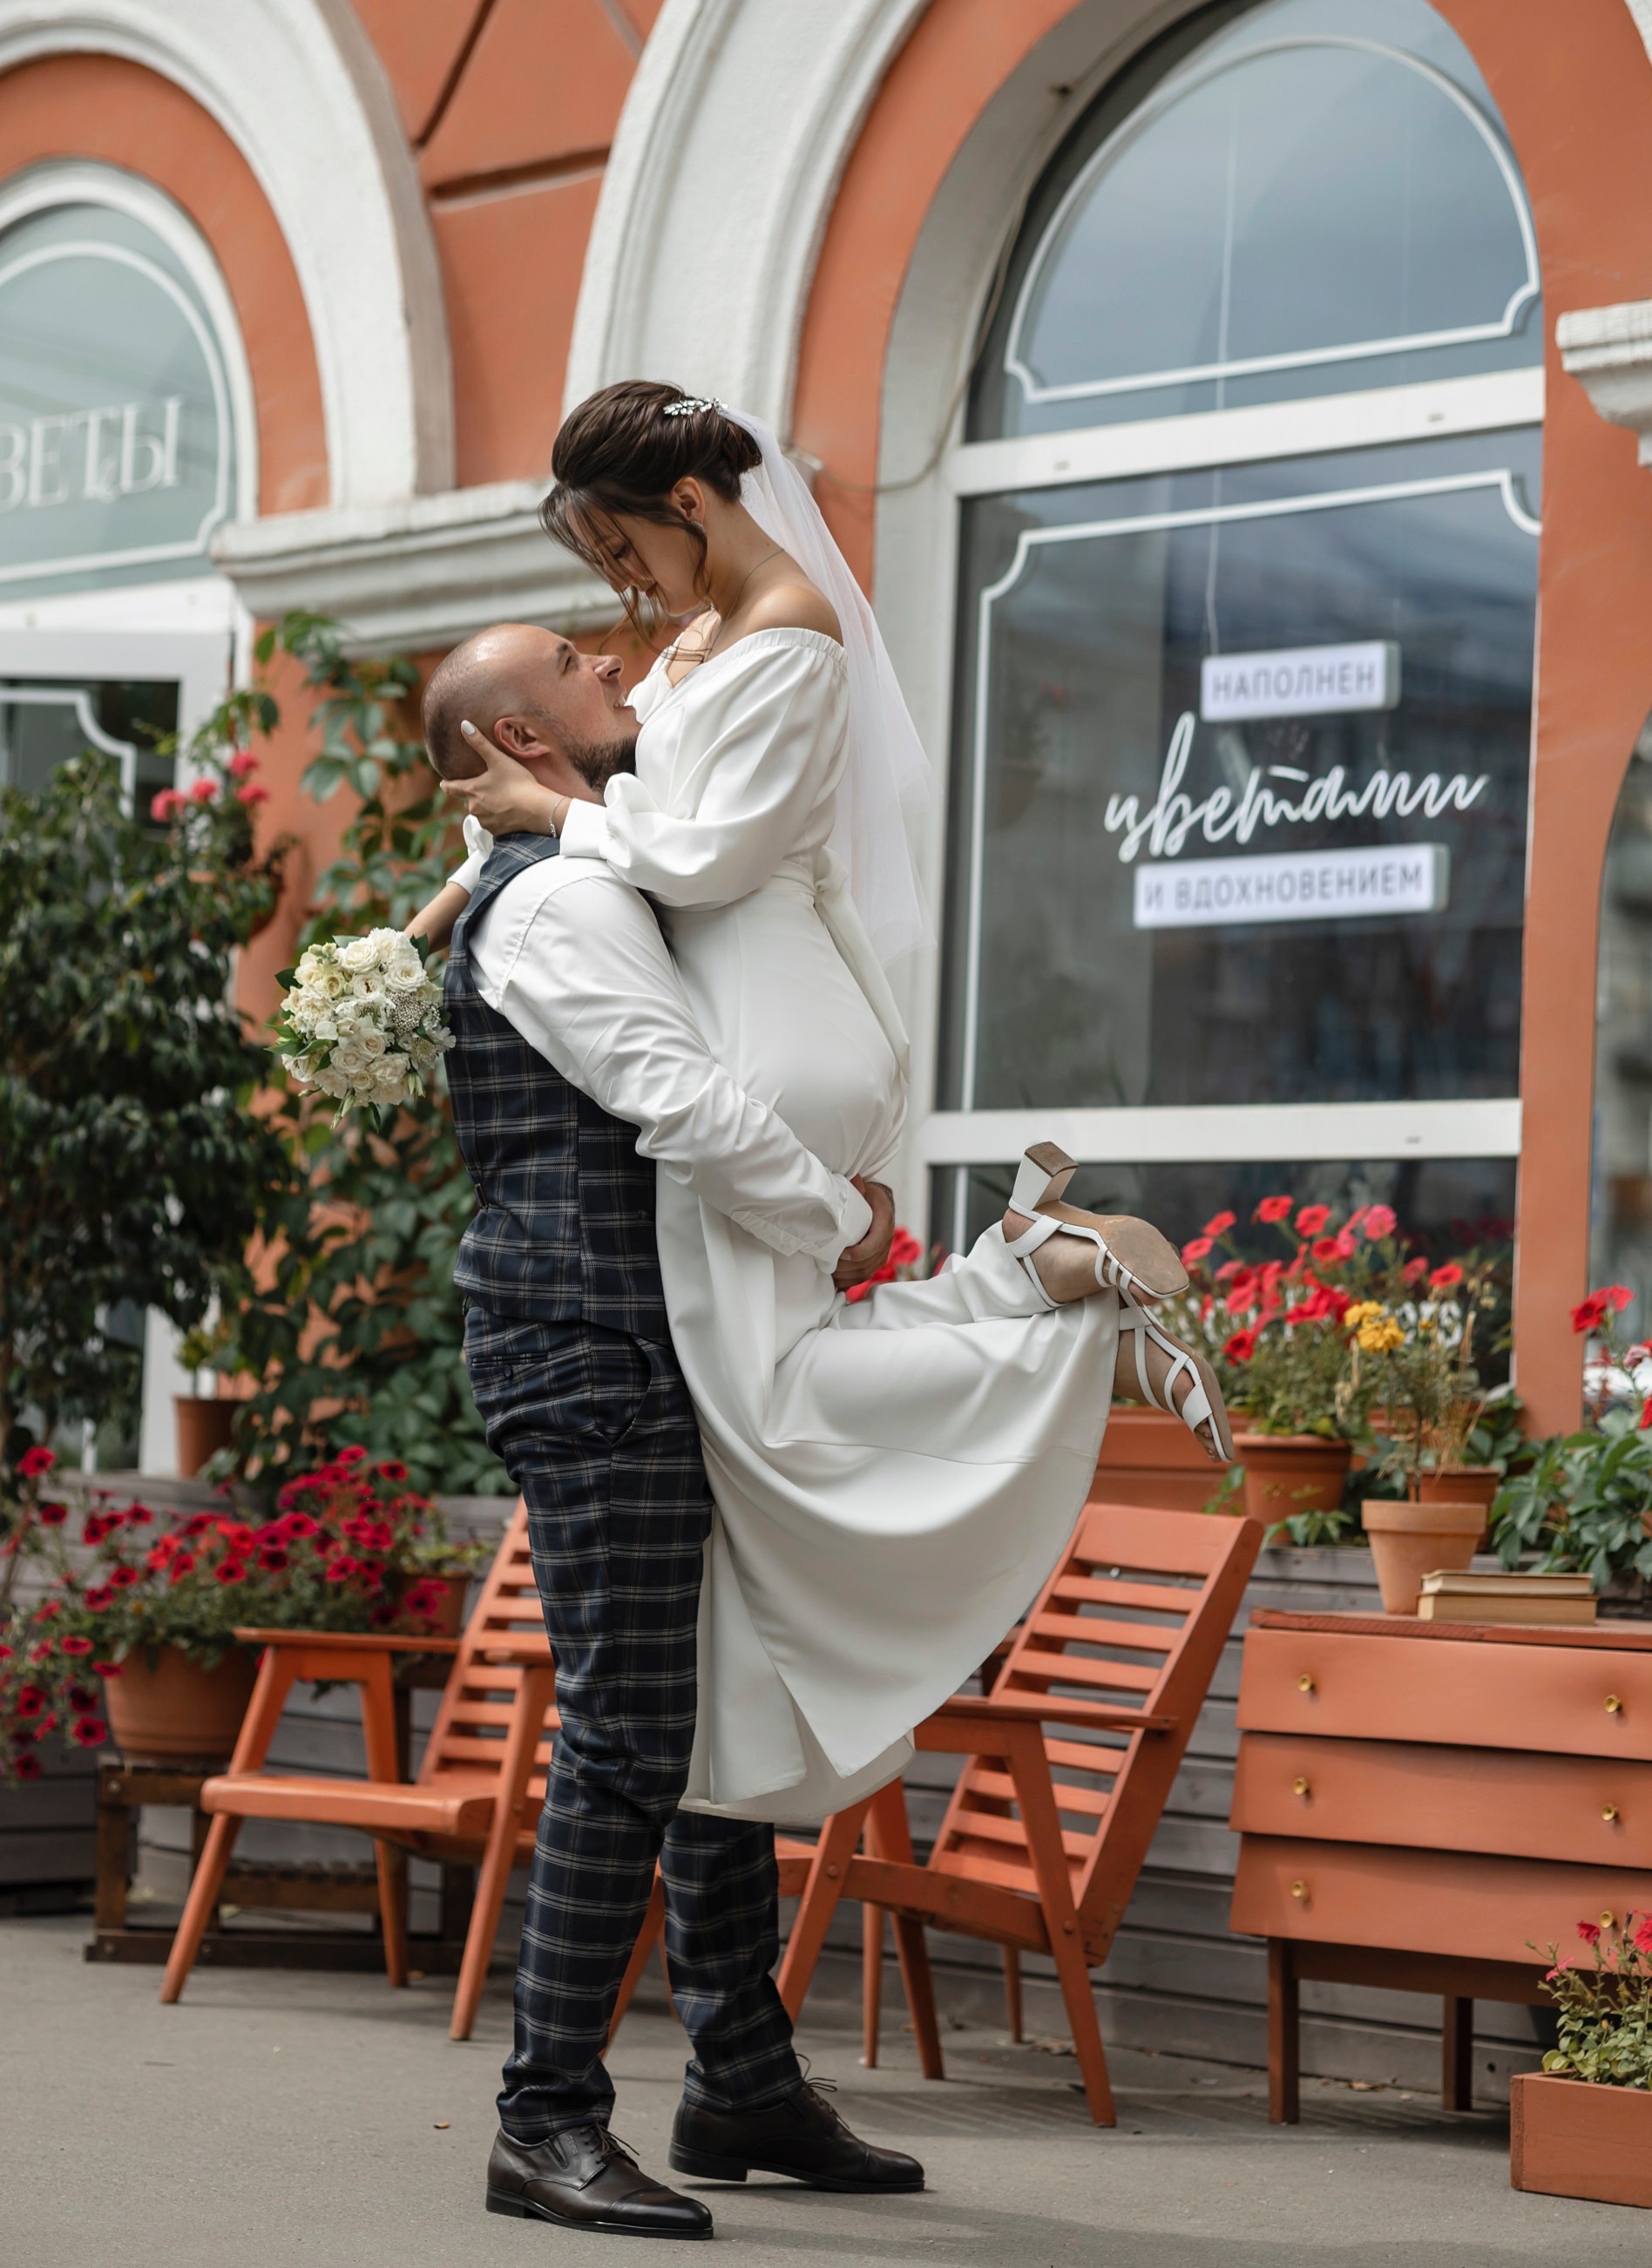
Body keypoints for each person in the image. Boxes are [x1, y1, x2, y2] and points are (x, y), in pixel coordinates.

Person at [426, 386, 1229, 1844]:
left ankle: (1041, 1301)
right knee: (774, 1391)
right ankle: (1035, 1282)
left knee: (770, 1408)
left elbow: (706, 858)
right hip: (778, 1014)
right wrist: (458, 885)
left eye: (627, 549)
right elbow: (622, 784)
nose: (624, 588)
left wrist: (550, 820)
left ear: (689, 502)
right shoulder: (705, 638)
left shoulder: (790, 635)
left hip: (761, 1022)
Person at [410, 627, 926, 2237]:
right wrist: (839, 1219)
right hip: (596, 1346)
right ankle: (543, 2120)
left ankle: (742, 2079)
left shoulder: (581, 869)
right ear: (522, 734)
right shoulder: (555, 905)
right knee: (631, 1732)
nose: (619, 667)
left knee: (701, 1707)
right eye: (580, 663)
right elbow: (681, 1099)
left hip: (646, 1337)